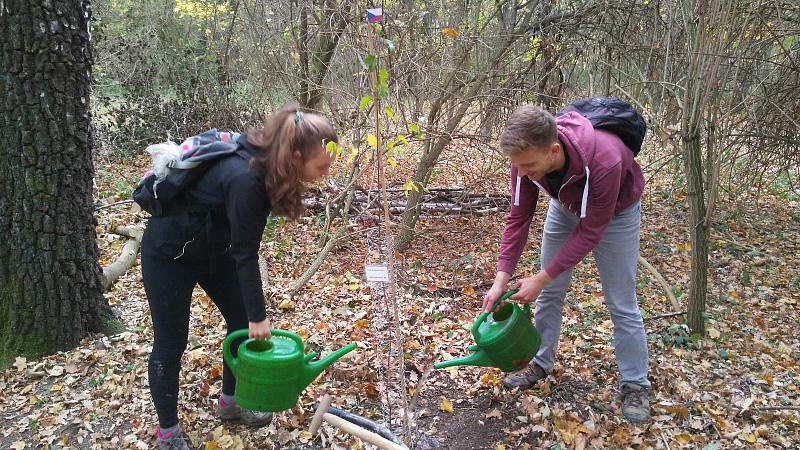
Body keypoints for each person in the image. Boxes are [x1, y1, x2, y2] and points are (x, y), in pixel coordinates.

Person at [140, 104, 337, 449]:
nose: (324, 173)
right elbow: (245, 253)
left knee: (240, 324)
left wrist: (252, 318)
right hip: (170, 253)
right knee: (172, 343)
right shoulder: (246, 179)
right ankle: (167, 431)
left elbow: (238, 249)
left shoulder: (267, 158)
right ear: (293, 156)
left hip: (214, 250)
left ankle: (230, 402)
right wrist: (259, 317)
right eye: (320, 167)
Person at [482, 104, 650, 423]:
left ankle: (635, 385)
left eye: (530, 166)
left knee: (621, 302)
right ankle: (540, 363)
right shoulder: (525, 159)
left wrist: (541, 277)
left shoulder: (605, 159)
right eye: (519, 166)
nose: (524, 173)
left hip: (615, 213)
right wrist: (501, 279)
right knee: (549, 294)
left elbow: (590, 233)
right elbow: (518, 218)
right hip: (564, 204)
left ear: (554, 149)